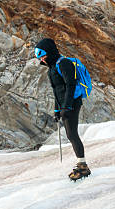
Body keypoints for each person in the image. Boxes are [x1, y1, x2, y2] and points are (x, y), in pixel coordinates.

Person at [34, 38, 91, 181]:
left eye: (42, 55)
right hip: (65, 105)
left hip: (72, 103)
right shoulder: (52, 68)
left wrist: (66, 106)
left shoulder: (64, 63)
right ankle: (81, 164)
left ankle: (83, 166)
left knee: (72, 134)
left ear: (50, 52)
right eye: (39, 56)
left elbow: (70, 85)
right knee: (70, 134)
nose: (41, 59)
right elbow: (56, 92)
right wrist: (56, 110)